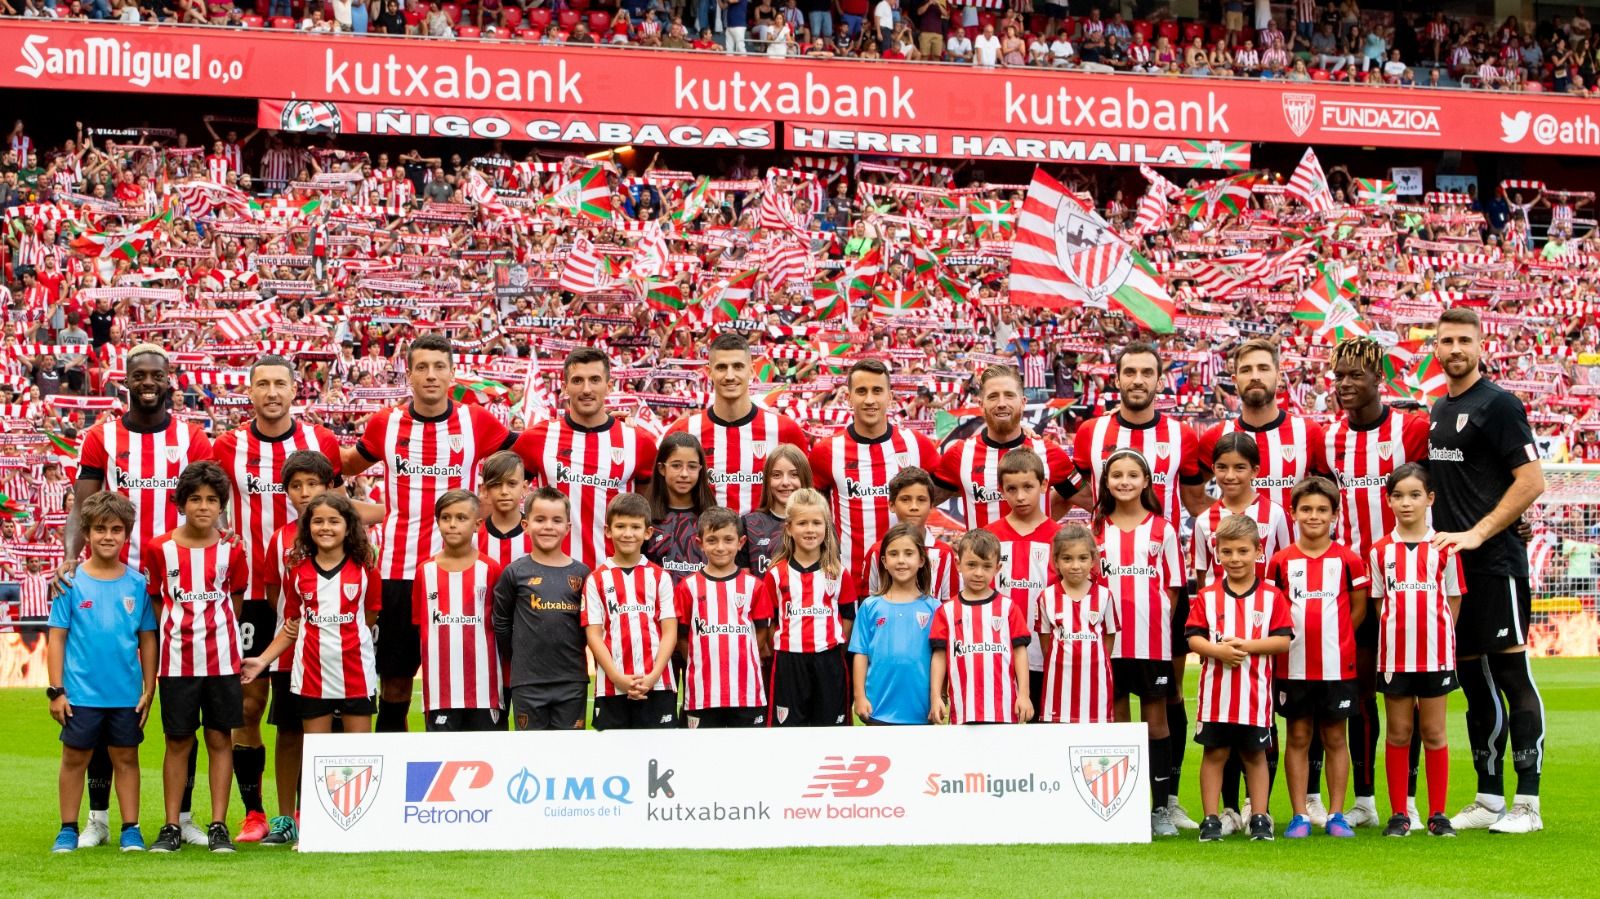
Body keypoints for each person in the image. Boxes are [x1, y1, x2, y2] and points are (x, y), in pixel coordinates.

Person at [65, 343, 212, 849]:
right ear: (126, 381)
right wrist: (69, 556)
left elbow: (206, 501)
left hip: (177, 587)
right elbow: (82, 505)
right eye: (139, 375)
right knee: (106, 700)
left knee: (180, 706)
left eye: (157, 375)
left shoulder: (190, 437)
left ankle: (185, 816)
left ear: (171, 380)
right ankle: (99, 818)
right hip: (117, 582)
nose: (148, 382)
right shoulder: (100, 436)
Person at [342, 333, 517, 733]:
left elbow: (524, 461)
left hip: (466, 576)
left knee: (472, 679)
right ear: (409, 374)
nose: (431, 375)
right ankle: (392, 776)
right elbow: (344, 467)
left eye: (440, 367)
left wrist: (489, 508)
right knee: (396, 683)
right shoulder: (385, 424)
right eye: (422, 367)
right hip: (398, 573)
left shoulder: (476, 421)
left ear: (452, 373)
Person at [1072, 341, 1207, 829]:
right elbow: (1071, 491)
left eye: (1147, 372)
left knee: (1166, 700)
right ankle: (1116, 804)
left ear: (1159, 378)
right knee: (1112, 705)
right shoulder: (1090, 432)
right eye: (1129, 371)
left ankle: (1166, 802)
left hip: (1156, 602)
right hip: (1110, 615)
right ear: (1117, 376)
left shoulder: (1181, 434)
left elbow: (1194, 498)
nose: (1137, 380)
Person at [208, 354, 341, 844]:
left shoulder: (320, 441)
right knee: (247, 702)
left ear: (294, 389)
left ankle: (308, 811)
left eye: (280, 384)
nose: (271, 392)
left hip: (312, 592)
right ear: (250, 390)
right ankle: (255, 812)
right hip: (257, 589)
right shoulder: (228, 445)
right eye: (261, 384)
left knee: (305, 704)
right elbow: (208, 500)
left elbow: (342, 509)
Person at [1426, 308, 1548, 835]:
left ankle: (1529, 804)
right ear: (1435, 347)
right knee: (1473, 684)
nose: (1455, 348)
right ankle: (1488, 796)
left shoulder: (1500, 405)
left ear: (1480, 346)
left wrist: (1481, 532)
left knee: (1511, 677)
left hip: (1496, 566)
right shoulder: (1437, 409)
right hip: (1455, 576)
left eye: (1463, 340)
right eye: (1446, 340)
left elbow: (1532, 480)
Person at [1324, 336, 1430, 827]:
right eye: (1339, 375)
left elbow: (1449, 479)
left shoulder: (1410, 429)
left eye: (1354, 375)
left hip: (1406, 583)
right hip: (1355, 585)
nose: (1345, 384)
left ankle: (1405, 798)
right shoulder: (1327, 440)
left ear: (1377, 378)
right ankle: (1365, 796)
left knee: (1403, 695)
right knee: (1362, 691)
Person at [141, 461, 248, 855]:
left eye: (212, 500)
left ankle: (218, 825)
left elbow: (234, 604)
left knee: (221, 738)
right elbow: (155, 603)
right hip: (176, 662)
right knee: (178, 741)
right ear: (181, 503)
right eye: (196, 499)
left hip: (222, 660)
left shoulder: (232, 548)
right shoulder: (158, 548)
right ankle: (172, 825)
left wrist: (217, 636)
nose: (204, 507)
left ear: (222, 506)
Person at [46, 491, 155, 854]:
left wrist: (149, 687)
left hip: (125, 694)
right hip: (80, 694)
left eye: (117, 529)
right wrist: (56, 690)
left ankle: (130, 829)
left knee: (126, 758)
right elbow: (57, 638)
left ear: (127, 534)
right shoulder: (71, 582)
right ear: (87, 534)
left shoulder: (137, 584)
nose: (108, 536)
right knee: (75, 758)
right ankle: (67, 828)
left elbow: (148, 639)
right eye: (100, 529)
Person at [1266, 477, 1369, 839]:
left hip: (1337, 665)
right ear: (1293, 512)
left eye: (1322, 510)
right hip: (1292, 666)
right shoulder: (1280, 561)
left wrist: (1335, 640)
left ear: (1335, 515)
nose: (1314, 516)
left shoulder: (1349, 560)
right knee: (1297, 736)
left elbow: (1357, 611)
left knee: (1335, 738)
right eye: (1306, 509)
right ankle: (1299, 815)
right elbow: (1274, 610)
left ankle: (1337, 814)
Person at [242, 493, 383, 744]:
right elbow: (292, 625)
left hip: (356, 672)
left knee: (360, 751)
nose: (325, 527)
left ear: (348, 526)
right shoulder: (297, 569)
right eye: (318, 521)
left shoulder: (366, 568)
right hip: (312, 674)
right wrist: (262, 661)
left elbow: (370, 614)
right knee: (317, 752)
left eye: (334, 521)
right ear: (308, 527)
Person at [1370, 464, 1463, 838]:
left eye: (1414, 495)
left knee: (1434, 732)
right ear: (1389, 500)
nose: (1406, 503)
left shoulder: (1445, 547)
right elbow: (1380, 602)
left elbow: (1453, 597)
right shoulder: (1380, 551)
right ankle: (1399, 814)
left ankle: (1438, 814)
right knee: (1399, 732)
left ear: (1430, 499)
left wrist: (1440, 636)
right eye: (1398, 495)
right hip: (1395, 656)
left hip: (1435, 654)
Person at [1187, 515, 1293, 842]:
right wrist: (1217, 651)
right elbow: (1193, 638)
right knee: (1215, 754)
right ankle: (1210, 818)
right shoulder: (1207, 596)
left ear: (1259, 552)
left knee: (1255, 756)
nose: (1235, 559)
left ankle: (1260, 817)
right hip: (1215, 698)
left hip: (1255, 697)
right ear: (1217, 553)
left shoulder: (1272, 597)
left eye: (1243, 551)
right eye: (1228, 552)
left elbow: (1283, 640)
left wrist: (1245, 646)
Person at [1095, 449, 1183, 836]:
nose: (1125, 481)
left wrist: (1155, 623)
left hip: (1150, 644)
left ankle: (1160, 809)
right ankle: (1125, 809)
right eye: (1117, 475)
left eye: (1133, 474)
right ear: (1107, 482)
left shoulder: (1162, 529)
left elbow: (1173, 590)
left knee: (1156, 725)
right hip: (1108, 647)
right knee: (1117, 724)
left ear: (1146, 481)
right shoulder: (1096, 529)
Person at [514, 347, 656, 572]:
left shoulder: (638, 442)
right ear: (565, 387)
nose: (586, 389)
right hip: (550, 579)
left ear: (609, 386)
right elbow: (501, 492)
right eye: (578, 380)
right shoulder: (536, 439)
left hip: (613, 578)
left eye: (595, 380)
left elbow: (650, 511)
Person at [810, 359, 938, 581]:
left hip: (909, 581)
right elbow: (815, 512)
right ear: (848, 398)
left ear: (889, 397)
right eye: (861, 391)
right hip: (850, 581)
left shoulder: (917, 445)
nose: (869, 400)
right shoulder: (826, 451)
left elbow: (941, 491)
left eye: (877, 391)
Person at [667, 332, 808, 515]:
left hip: (769, 542)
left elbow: (806, 498)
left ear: (751, 370)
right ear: (709, 372)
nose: (730, 375)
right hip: (705, 541)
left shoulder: (786, 431)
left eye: (738, 366)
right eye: (722, 367)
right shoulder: (684, 431)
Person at [933, 364, 1081, 531]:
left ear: (1023, 402)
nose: (1001, 403)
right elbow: (919, 501)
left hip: (1035, 556)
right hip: (983, 557)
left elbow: (1093, 501)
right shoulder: (959, 454)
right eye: (993, 396)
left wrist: (1038, 527)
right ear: (981, 405)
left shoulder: (1049, 452)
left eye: (1009, 395)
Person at [492, 488, 591, 731]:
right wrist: (520, 656)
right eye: (540, 519)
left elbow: (590, 627)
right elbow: (501, 623)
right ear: (525, 525)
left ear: (568, 527)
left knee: (569, 756)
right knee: (530, 755)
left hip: (571, 681)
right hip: (528, 682)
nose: (548, 526)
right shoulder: (515, 573)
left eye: (556, 520)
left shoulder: (582, 574)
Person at [757, 487, 857, 726]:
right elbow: (770, 619)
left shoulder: (839, 573)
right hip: (789, 662)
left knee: (831, 729)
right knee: (788, 730)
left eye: (816, 523)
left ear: (826, 527)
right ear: (789, 528)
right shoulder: (776, 574)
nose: (810, 529)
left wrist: (832, 646)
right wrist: (782, 646)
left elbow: (847, 617)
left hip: (829, 660)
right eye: (802, 523)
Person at [1198, 338, 1328, 515]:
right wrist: (1222, 520)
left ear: (1279, 376)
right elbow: (1193, 497)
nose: (1255, 376)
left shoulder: (1309, 432)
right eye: (1246, 370)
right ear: (1235, 381)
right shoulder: (1216, 436)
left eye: (1263, 368)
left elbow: (1333, 496)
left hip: (1292, 543)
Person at [582, 493, 678, 730]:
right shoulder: (596, 579)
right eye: (620, 526)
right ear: (607, 530)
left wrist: (654, 675)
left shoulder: (659, 577)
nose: (627, 533)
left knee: (660, 751)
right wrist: (617, 677)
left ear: (647, 532)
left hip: (657, 684)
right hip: (612, 686)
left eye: (635, 527)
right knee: (613, 760)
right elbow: (594, 635)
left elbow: (669, 632)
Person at [413, 491, 503, 732]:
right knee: (443, 760)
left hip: (484, 689)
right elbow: (420, 624)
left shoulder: (491, 569)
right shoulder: (425, 571)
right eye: (445, 517)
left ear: (477, 525)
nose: (452, 524)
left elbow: (500, 624)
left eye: (461, 518)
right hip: (440, 688)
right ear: (437, 522)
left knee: (489, 758)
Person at [674, 507, 769, 727]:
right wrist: (701, 661)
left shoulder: (754, 586)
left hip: (747, 693)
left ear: (741, 542)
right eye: (712, 540)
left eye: (728, 540)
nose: (720, 547)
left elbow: (762, 632)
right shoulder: (687, 587)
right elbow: (681, 637)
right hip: (702, 693)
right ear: (700, 543)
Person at [928, 528, 1032, 725]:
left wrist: (1024, 695)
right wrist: (936, 697)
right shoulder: (946, 611)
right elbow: (939, 657)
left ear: (998, 568)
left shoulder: (1008, 607)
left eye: (986, 566)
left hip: (1004, 712)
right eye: (971, 565)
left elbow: (1020, 653)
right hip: (963, 712)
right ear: (958, 565)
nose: (978, 573)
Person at [984, 447, 1060, 715]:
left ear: (1043, 485)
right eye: (1012, 489)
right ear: (1001, 490)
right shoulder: (989, 537)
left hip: (1046, 657)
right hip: (997, 655)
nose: (1020, 496)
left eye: (1028, 487)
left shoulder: (1060, 537)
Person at [848, 522, 940, 725]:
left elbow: (939, 658)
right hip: (878, 709)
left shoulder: (935, 608)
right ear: (884, 561)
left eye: (908, 553)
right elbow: (860, 653)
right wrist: (859, 697)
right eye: (894, 554)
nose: (901, 561)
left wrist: (937, 698)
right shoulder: (870, 606)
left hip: (921, 711)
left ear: (922, 560)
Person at [1036, 525, 1116, 724]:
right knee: (1059, 740)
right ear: (1056, 561)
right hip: (1059, 681)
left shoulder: (1105, 595)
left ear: (1092, 560)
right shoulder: (1046, 597)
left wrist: (1093, 659)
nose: (1075, 566)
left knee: (1094, 741)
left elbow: (1109, 636)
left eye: (1082, 558)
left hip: (1096, 681)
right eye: (1067, 558)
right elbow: (1046, 642)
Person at [1192, 434, 1292, 590]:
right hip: (1219, 612)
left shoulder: (1276, 514)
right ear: (1213, 469)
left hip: (1265, 610)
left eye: (1239, 467)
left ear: (1254, 471)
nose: (1230, 476)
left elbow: (1288, 568)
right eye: (1222, 467)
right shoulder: (1203, 520)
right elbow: (1203, 575)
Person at [859, 466, 956, 600]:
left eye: (921, 500)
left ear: (931, 505)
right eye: (905, 499)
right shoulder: (877, 551)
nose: (914, 507)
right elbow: (867, 604)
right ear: (892, 505)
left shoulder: (944, 553)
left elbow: (950, 606)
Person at [644, 432, 713, 583]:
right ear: (662, 468)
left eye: (692, 467)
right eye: (676, 465)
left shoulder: (714, 519)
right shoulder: (644, 517)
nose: (684, 474)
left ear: (700, 469)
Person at [738, 444, 811, 578]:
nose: (785, 482)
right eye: (776, 475)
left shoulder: (821, 525)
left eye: (794, 475)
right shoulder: (748, 525)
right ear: (767, 480)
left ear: (804, 478)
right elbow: (743, 584)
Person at [476, 451, 534, 568]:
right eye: (496, 484)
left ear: (524, 488)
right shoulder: (473, 537)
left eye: (511, 483)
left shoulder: (537, 534)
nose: (504, 492)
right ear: (485, 490)